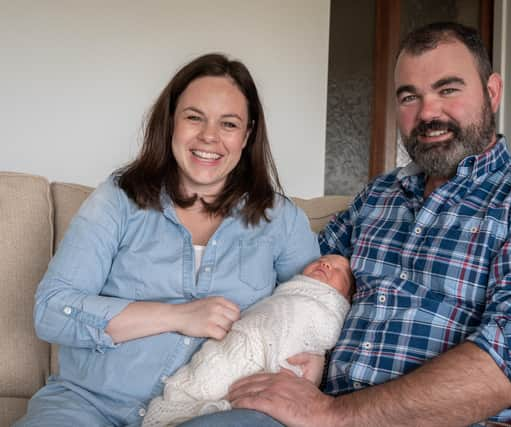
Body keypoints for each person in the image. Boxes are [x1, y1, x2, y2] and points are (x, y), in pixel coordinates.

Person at [207, 22, 511, 427]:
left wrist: (332, 414)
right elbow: (300, 284)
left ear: (492, 93)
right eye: (409, 97)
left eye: (448, 90)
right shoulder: (377, 197)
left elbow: (509, 363)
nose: (428, 113)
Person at [14, 53, 320, 427]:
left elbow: (314, 303)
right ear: (171, 121)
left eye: (229, 123)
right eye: (194, 117)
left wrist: (315, 355)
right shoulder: (117, 199)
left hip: (214, 412)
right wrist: (178, 316)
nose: (209, 136)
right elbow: (51, 310)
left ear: (248, 133)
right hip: (88, 404)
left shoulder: (280, 219)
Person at [142, 254, 354, 427]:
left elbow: (315, 337)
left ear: (346, 297)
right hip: (231, 347)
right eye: (323, 259)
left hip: (263, 375)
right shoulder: (281, 293)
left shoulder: (326, 310)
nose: (326, 263)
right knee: (206, 374)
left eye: (339, 270)